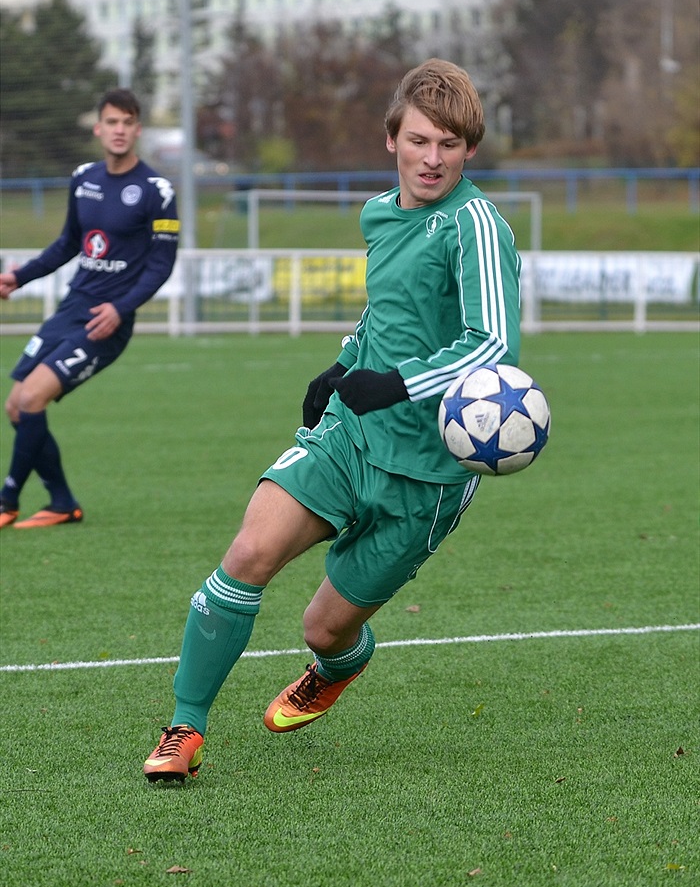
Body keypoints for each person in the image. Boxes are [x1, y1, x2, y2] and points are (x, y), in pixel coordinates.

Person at [143, 58, 521, 783]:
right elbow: (389, 312)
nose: (432, 159)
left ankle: (339, 664)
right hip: (351, 435)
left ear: (469, 149)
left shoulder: (474, 226)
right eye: (419, 141)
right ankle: (184, 729)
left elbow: (493, 342)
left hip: (427, 475)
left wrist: (398, 383)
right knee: (250, 553)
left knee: (324, 628)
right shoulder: (379, 214)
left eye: (448, 144)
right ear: (392, 140)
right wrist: (345, 363)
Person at [0, 89, 179, 529]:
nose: (119, 130)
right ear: (99, 128)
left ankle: (7, 500)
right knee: (16, 406)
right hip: (71, 308)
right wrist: (18, 278)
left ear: (137, 130)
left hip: (106, 322)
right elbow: (68, 244)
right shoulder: (83, 178)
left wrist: (121, 308)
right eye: (112, 122)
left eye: (128, 122)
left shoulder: (157, 190)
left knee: (32, 396)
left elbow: (161, 264)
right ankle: (62, 502)